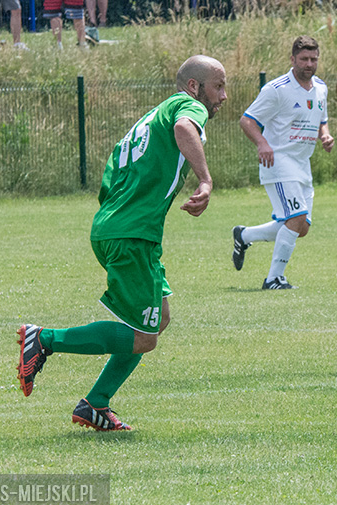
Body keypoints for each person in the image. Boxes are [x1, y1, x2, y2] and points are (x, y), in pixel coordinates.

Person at [16, 55, 227, 431]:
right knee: (144, 337)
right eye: (219, 86)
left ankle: (95, 404)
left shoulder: (147, 121)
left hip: (120, 229)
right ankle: (44, 339)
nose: (223, 96)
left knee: (157, 318)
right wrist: (206, 180)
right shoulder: (185, 107)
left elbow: (113, 172)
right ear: (195, 87)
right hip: (132, 235)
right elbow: (184, 128)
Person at [232, 35, 334, 289]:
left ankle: (244, 235)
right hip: (277, 162)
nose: (309, 64)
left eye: (313, 59)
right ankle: (274, 279)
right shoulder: (277, 89)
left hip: (302, 164)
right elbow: (248, 120)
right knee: (296, 218)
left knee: (301, 227)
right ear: (292, 59)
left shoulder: (321, 87)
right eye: (304, 59)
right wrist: (262, 143)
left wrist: (325, 135)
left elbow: (321, 117)